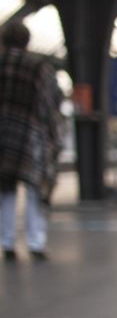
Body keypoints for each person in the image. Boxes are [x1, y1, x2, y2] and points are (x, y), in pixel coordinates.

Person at [0, 20, 62, 262]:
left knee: (5, 188)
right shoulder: (38, 66)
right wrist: (51, 132)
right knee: (35, 186)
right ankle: (36, 242)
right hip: (31, 132)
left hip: (3, 132)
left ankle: (7, 242)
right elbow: (50, 100)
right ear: (27, 41)